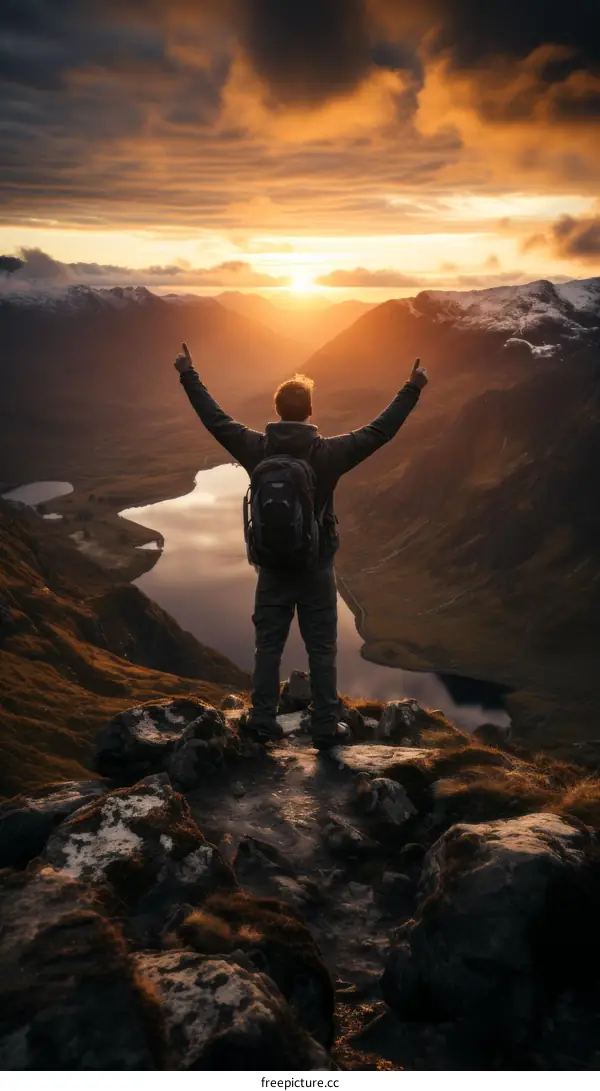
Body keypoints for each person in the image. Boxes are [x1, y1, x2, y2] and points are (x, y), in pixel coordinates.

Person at [175, 342, 428, 749]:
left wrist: (188, 374)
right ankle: (325, 727)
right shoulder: (329, 453)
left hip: (272, 568)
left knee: (267, 647)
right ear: (310, 411)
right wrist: (412, 387)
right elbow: (380, 430)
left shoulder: (256, 447)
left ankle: (262, 721)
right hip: (316, 568)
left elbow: (215, 419)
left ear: (277, 410)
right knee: (322, 649)